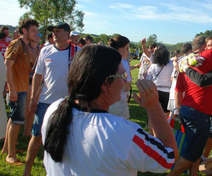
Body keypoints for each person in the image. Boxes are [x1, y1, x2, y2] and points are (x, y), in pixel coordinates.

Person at [41, 45, 178, 175]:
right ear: (105, 83)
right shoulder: (120, 131)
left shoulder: (54, 108)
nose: (125, 82)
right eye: (122, 76)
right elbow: (169, 157)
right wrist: (154, 108)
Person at [168, 36, 212, 176]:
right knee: (193, 152)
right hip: (200, 113)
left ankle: (193, 174)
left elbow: (178, 91)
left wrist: (178, 110)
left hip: (186, 109)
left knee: (195, 148)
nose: (207, 48)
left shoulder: (185, 62)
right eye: (206, 45)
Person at [23, 22, 80, 176]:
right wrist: (34, 97)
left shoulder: (78, 52)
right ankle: (27, 171)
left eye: (58, 31)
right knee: (36, 137)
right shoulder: (45, 51)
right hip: (45, 102)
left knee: (64, 138)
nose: (54, 33)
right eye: (53, 31)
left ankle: (56, 170)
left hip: (68, 103)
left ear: (67, 34)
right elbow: (37, 76)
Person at [1, 18, 39, 165]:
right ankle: (10, 155)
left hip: (22, 87)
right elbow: (7, 66)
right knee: (17, 121)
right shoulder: (16, 44)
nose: (36, 33)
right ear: (25, 31)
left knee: (13, 119)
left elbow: (35, 61)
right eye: (33, 31)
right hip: (17, 89)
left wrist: (34, 45)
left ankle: (6, 149)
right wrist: (12, 89)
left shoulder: (26, 46)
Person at [107, 35, 132, 119]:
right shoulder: (124, 63)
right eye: (127, 48)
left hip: (102, 102)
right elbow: (126, 88)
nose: (128, 51)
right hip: (118, 101)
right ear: (120, 48)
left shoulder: (102, 60)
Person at [146, 46, 174, 122]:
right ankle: (163, 124)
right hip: (167, 91)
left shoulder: (153, 65)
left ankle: (151, 128)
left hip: (155, 90)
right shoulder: (172, 64)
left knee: (153, 111)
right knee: (166, 111)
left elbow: (148, 78)